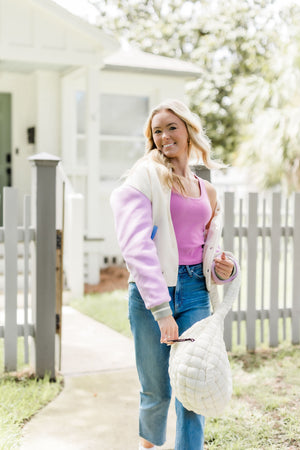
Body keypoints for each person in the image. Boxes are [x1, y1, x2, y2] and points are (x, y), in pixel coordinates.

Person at [110, 99, 238, 450]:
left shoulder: (206, 190)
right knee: (155, 388)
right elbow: (136, 246)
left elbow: (208, 250)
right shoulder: (145, 177)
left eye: (171, 127)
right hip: (152, 295)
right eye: (157, 131)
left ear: (187, 131)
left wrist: (223, 269)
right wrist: (161, 309)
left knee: (192, 386)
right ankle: (148, 446)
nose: (164, 136)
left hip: (196, 292)